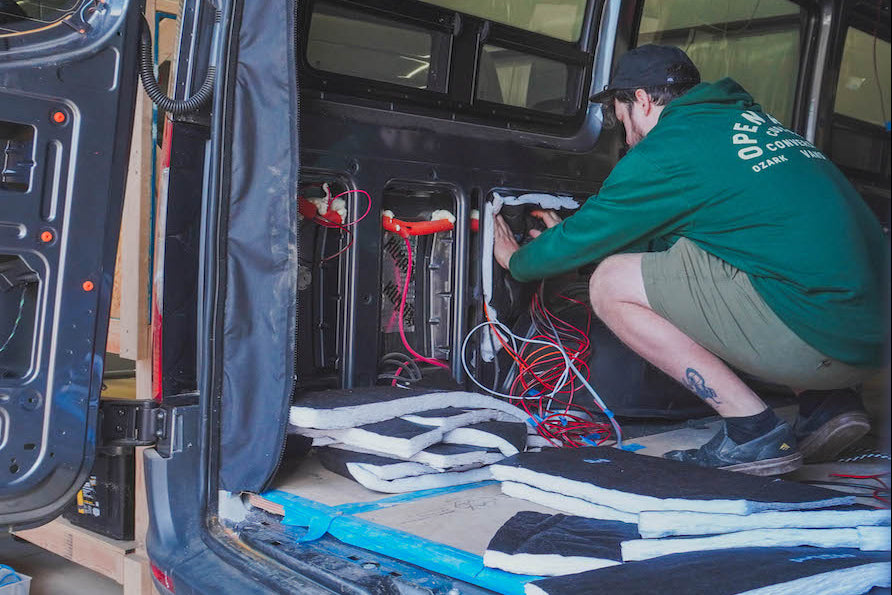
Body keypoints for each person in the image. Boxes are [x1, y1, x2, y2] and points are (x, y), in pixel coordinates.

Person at [493, 44, 890, 476]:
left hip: (824, 335)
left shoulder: (669, 148)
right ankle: (827, 404)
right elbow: (681, 249)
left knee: (610, 284)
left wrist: (519, 260)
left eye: (617, 111)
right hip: (868, 337)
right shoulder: (749, 125)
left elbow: (589, 235)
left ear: (641, 99)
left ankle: (752, 431)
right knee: (753, 259)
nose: (619, 126)